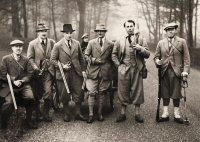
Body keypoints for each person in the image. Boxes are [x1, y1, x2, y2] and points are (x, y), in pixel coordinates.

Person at [112, 20, 150, 123]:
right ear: (125, 28)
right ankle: (123, 113)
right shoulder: (120, 40)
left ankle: (137, 114)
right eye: (127, 26)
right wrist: (119, 66)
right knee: (123, 90)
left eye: (131, 26)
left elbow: (148, 54)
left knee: (137, 90)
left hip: (137, 68)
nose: (129, 28)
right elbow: (114, 55)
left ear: (134, 27)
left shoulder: (141, 39)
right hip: (124, 68)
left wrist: (140, 48)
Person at [154, 22, 190, 124]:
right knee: (164, 92)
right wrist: (157, 61)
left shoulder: (181, 42)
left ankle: (176, 114)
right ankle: (165, 114)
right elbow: (156, 56)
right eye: (168, 29)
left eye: (172, 29)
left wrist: (185, 71)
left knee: (176, 92)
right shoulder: (161, 43)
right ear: (165, 31)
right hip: (164, 71)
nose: (170, 31)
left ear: (175, 30)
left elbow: (187, 58)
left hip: (177, 72)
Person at [50, 24, 87, 122]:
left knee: (78, 92)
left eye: (70, 33)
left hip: (76, 72)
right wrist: (62, 66)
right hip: (63, 73)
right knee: (64, 94)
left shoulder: (77, 43)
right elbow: (52, 60)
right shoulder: (58, 45)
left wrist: (83, 70)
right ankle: (66, 113)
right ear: (63, 34)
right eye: (67, 33)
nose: (69, 35)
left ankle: (78, 113)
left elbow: (81, 58)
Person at [0, 40, 37, 130]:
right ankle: (3, 124)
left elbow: (30, 73)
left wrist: (23, 81)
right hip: (10, 86)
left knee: (30, 98)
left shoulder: (26, 60)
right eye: (16, 46)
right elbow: (3, 74)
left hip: (23, 85)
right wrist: (13, 81)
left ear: (22, 48)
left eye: (20, 46)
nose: (18, 48)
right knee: (8, 103)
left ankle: (28, 120)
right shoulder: (6, 59)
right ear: (12, 48)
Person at [84, 24, 114, 123]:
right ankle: (91, 114)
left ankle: (100, 113)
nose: (100, 33)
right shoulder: (91, 43)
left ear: (105, 32)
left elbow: (113, 58)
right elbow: (86, 56)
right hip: (93, 71)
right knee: (91, 92)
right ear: (96, 32)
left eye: (102, 31)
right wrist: (94, 60)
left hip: (105, 72)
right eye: (98, 31)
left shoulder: (110, 44)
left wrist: (111, 68)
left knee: (102, 92)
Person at [27, 23, 55, 122]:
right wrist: (35, 67)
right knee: (37, 94)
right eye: (41, 31)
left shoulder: (52, 42)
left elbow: (55, 55)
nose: (43, 33)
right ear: (38, 33)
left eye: (45, 31)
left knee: (48, 92)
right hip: (37, 73)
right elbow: (30, 58)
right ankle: (37, 113)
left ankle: (46, 113)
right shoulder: (32, 44)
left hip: (48, 72)